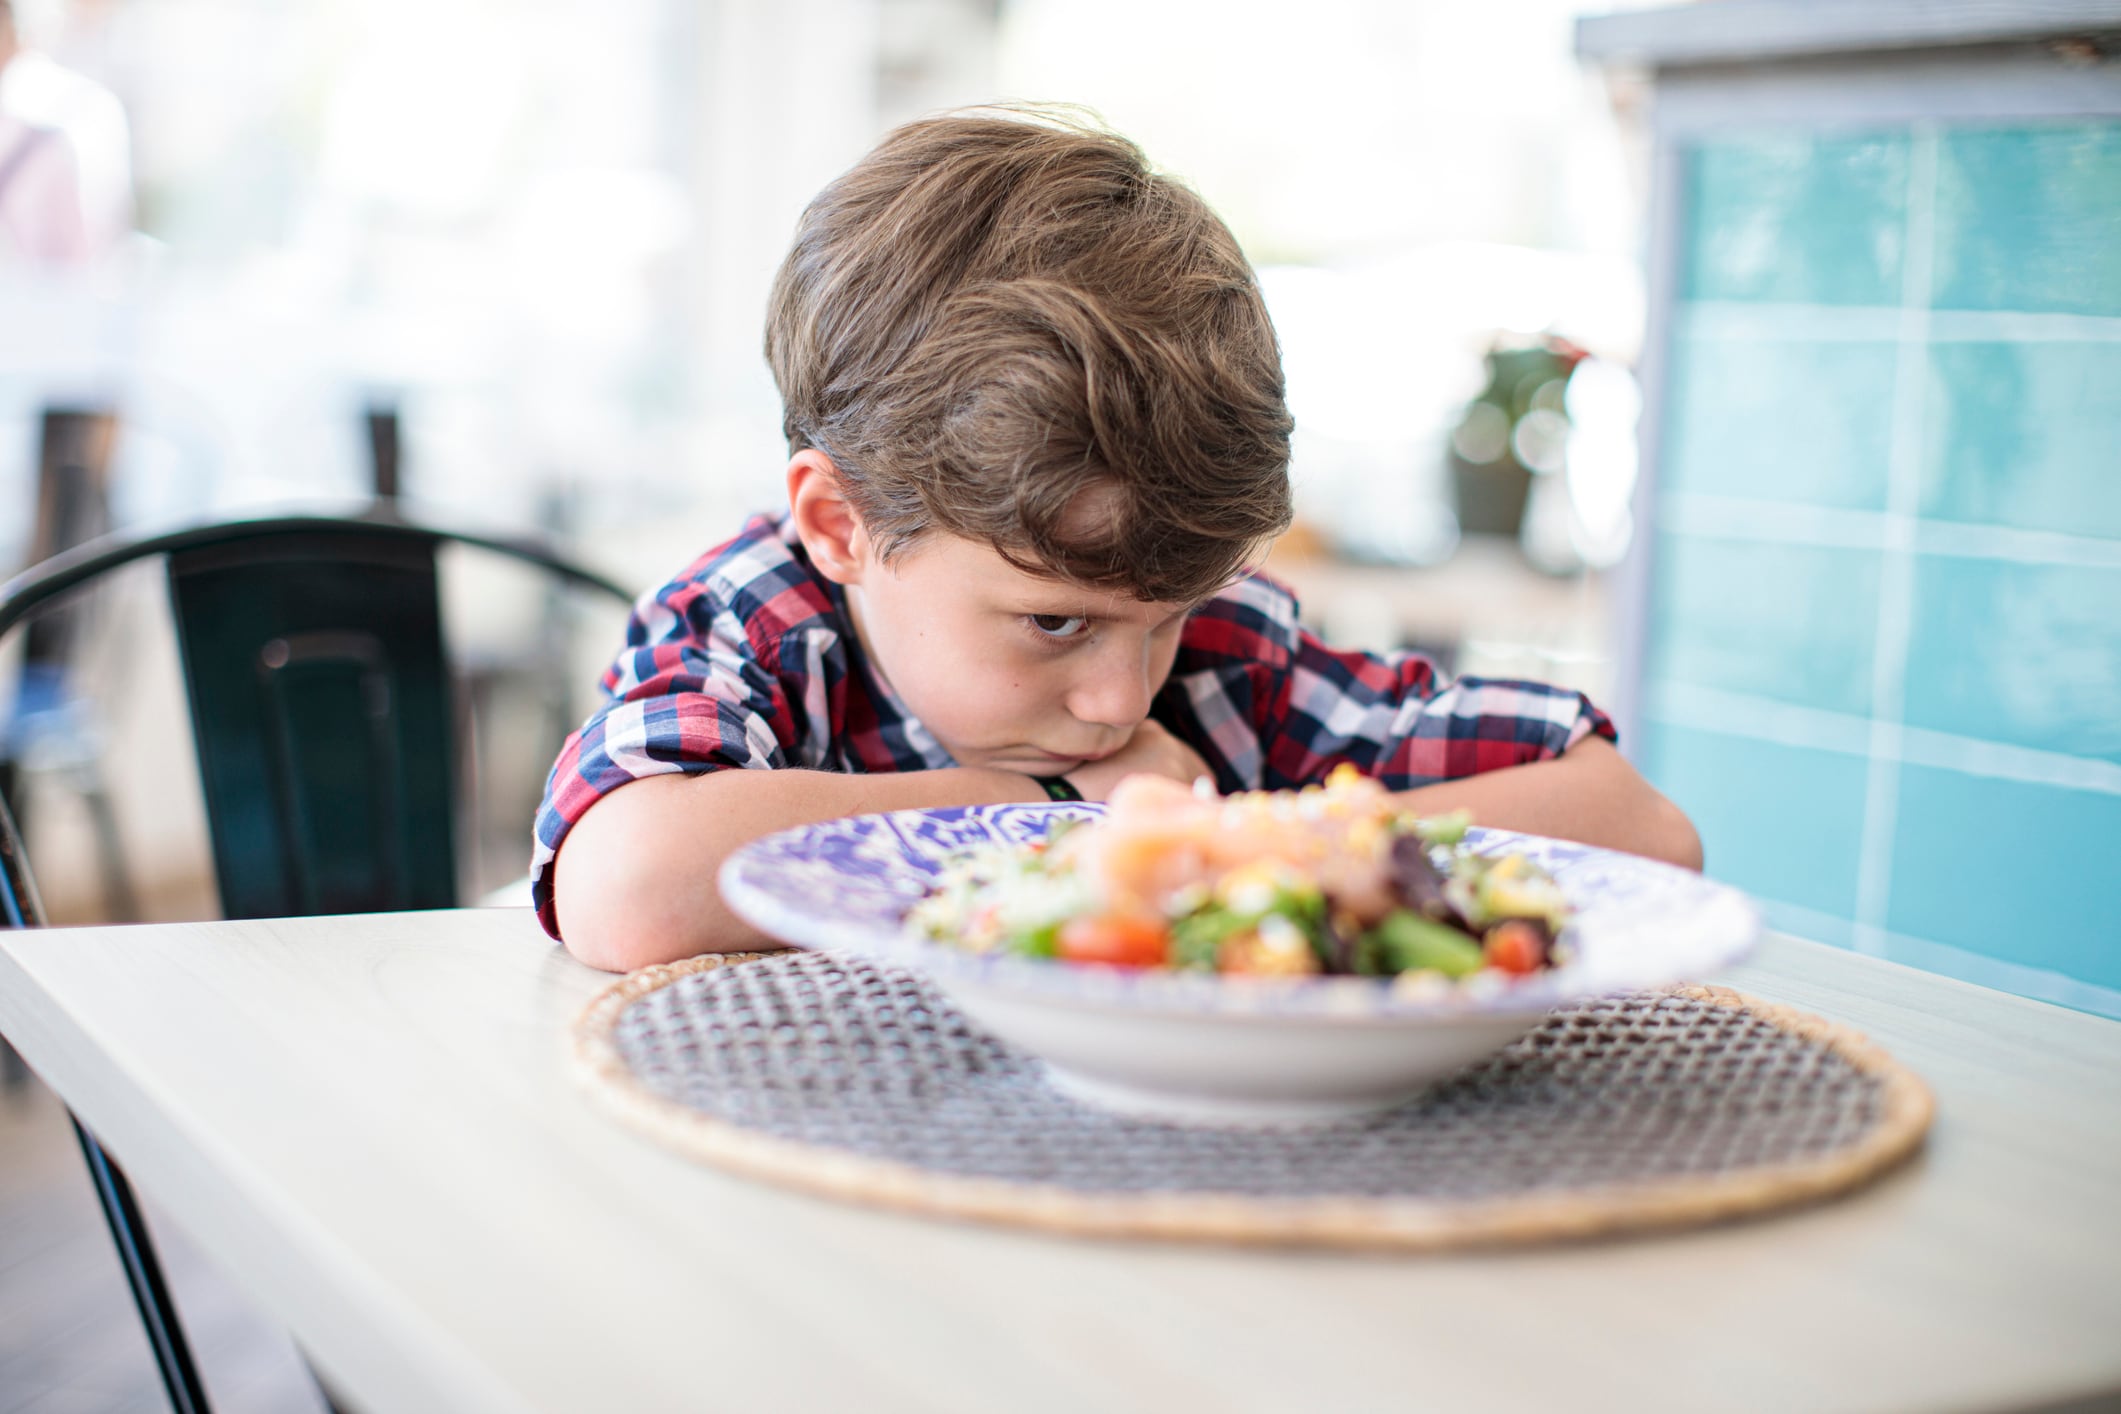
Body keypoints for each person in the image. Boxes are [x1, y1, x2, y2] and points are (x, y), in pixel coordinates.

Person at [536, 108, 1699, 973]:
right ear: (842, 524)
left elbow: (1640, 830)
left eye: (1164, 621)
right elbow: (628, 886)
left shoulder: (1226, 655)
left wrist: (1232, 842)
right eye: (1055, 622)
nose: (1118, 698)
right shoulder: (760, 620)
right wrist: (1050, 811)